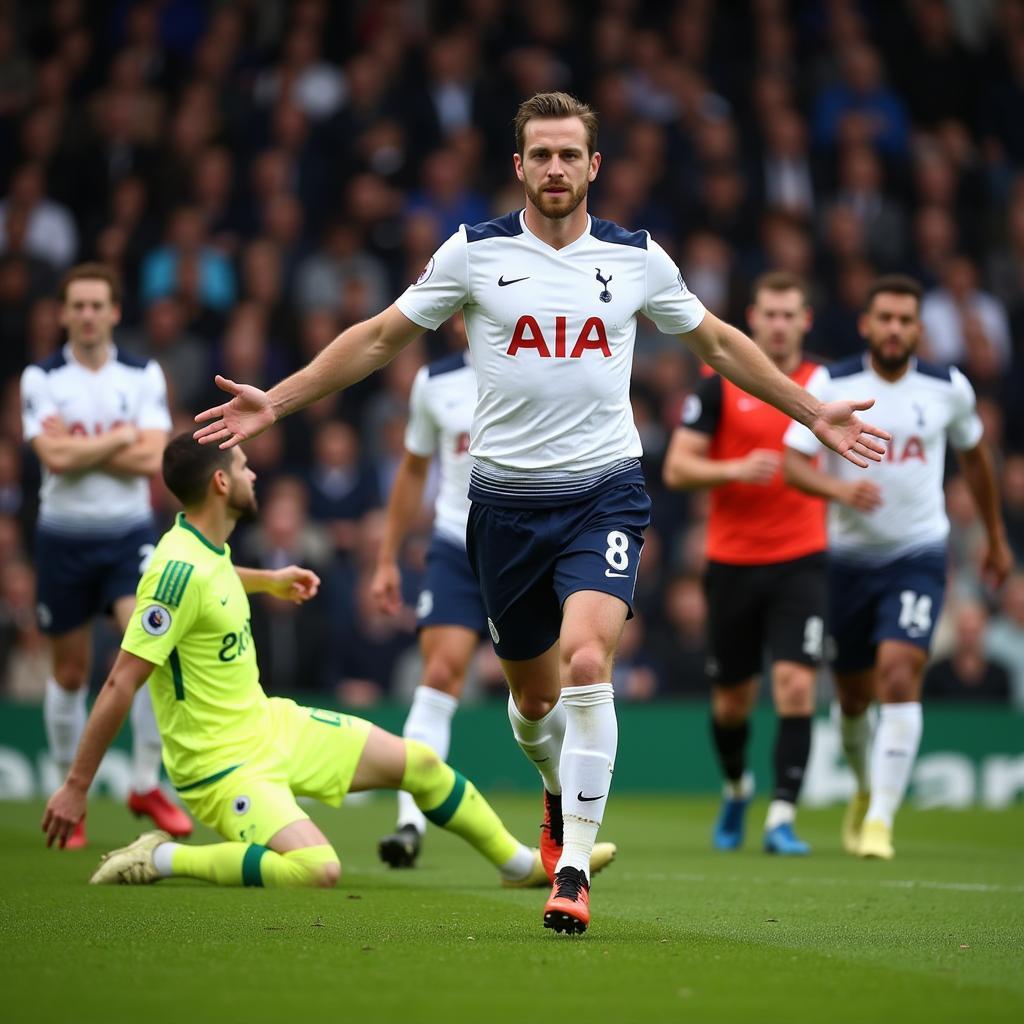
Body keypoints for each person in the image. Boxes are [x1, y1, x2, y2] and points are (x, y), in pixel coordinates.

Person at [194, 92, 888, 934]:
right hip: (504, 511)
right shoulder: (474, 253)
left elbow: (718, 342)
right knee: (532, 704)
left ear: (594, 166)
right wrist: (282, 400)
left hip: (605, 494)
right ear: (517, 165)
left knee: (588, 663)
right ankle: (558, 797)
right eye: (540, 155)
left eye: (569, 155)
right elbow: (379, 337)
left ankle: (572, 872)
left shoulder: (635, 259)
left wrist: (810, 413)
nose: (555, 169)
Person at [42, 433, 575, 894]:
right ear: (221, 485)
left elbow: (213, 579)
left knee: (420, 764)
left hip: (270, 725)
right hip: (220, 767)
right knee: (316, 868)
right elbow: (119, 681)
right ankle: (161, 858)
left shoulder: (207, 550)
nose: (253, 472)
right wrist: (76, 784)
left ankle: (520, 865)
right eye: (243, 467)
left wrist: (267, 580)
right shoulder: (175, 570)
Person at [369, 316, 616, 876]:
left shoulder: (553, 369)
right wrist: (387, 556)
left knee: (540, 700)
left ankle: (559, 795)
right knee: (438, 674)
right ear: (460, 320)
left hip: (531, 545)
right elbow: (413, 469)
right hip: (458, 547)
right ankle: (409, 820)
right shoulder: (434, 382)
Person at [783, 274, 1014, 860]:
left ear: (918, 327)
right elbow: (792, 464)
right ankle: (865, 789)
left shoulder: (947, 387)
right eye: (884, 318)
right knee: (855, 699)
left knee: (899, 671)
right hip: (845, 560)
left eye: (905, 320)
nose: (894, 329)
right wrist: (839, 494)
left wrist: (994, 535)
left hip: (918, 552)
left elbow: (976, 459)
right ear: (866, 325)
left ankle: (882, 818)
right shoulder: (832, 383)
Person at [20, 262, 191, 847]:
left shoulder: (142, 373)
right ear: (64, 313)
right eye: (79, 306)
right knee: (69, 672)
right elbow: (55, 460)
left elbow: (153, 460)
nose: (88, 315)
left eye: (98, 305)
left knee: (147, 647)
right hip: (63, 537)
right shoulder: (40, 378)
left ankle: (146, 781)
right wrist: (121, 437)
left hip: (126, 535)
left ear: (115, 312)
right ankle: (73, 796)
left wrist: (82, 442)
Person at [662, 271, 826, 856]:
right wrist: (732, 470)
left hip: (801, 559)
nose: (779, 325)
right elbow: (677, 469)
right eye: (770, 314)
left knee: (795, 685)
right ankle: (736, 789)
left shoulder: (821, 386)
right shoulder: (715, 385)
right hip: (731, 562)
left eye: (790, 314)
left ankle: (781, 817)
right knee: (731, 700)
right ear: (751, 320)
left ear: (806, 321)